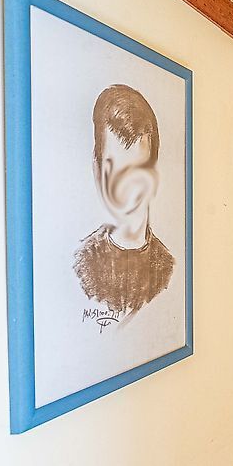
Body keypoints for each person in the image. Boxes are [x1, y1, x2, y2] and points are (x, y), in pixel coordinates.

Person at [73, 85, 174, 319]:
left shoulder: (167, 267)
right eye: (114, 167)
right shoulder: (81, 265)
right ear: (96, 167)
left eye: (135, 171)